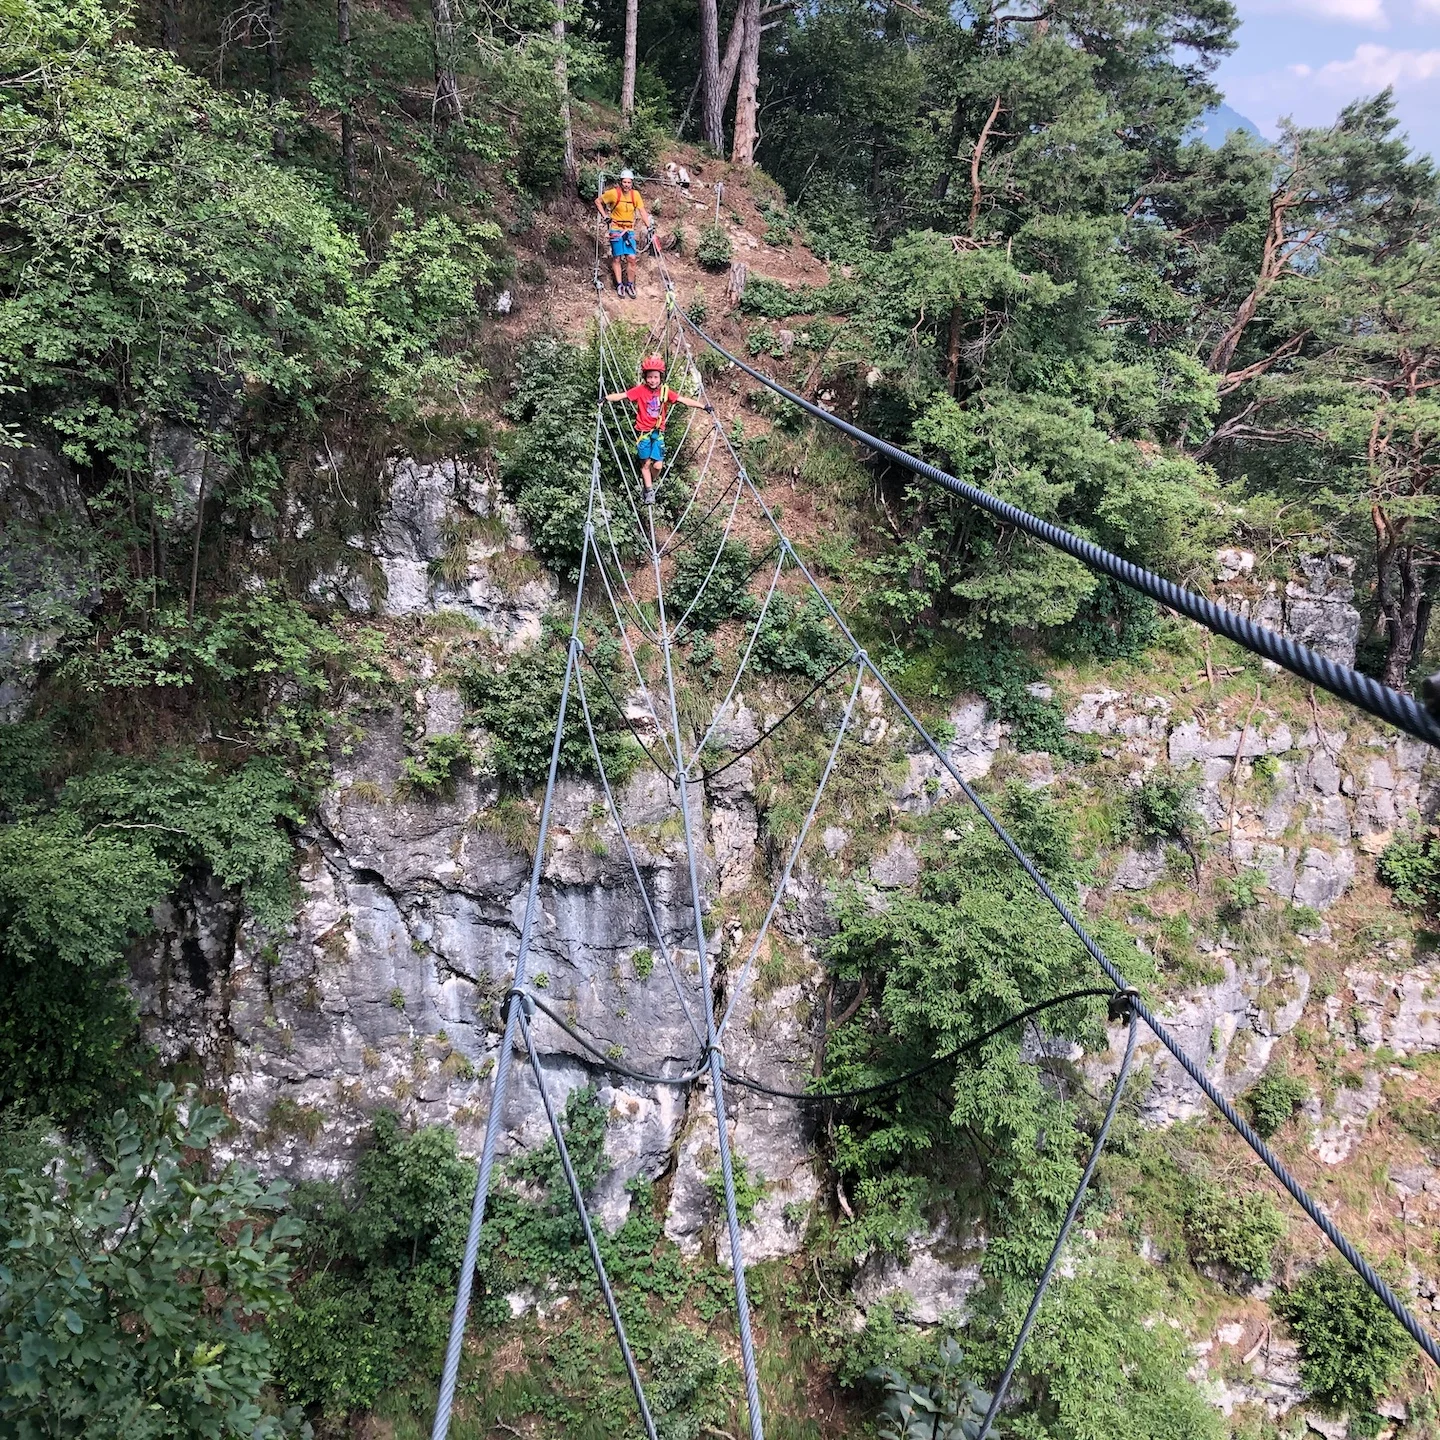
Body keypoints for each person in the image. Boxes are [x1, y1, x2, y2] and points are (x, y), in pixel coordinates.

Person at [606, 354, 712, 503]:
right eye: (649, 377)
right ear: (645, 377)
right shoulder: (640, 390)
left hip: (658, 433)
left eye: (655, 377)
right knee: (646, 464)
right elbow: (622, 395)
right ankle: (648, 490)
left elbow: (683, 400)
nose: (652, 380)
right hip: (644, 434)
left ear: (660, 377)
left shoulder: (665, 391)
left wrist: (703, 406)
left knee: (658, 465)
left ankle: (650, 481)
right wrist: (605, 399)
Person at [595, 169, 650, 299]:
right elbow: (598, 201)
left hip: (629, 229)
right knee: (617, 258)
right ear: (621, 182)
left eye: (629, 182)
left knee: (631, 258)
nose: (626, 184)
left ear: (632, 183)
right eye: (624, 182)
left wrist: (649, 226)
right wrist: (605, 216)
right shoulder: (613, 193)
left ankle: (630, 284)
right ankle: (620, 284)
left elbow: (642, 211)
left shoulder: (635, 195)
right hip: (616, 228)